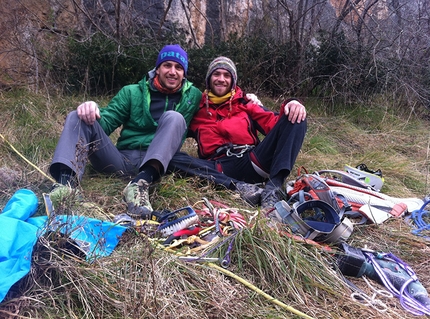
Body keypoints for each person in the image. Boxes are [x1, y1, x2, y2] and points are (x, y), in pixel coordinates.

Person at [49, 44, 202, 218]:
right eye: (167, 65)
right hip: (121, 161)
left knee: (175, 117)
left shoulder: (194, 96)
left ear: (184, 74)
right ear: (157, 68)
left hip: (158, 163)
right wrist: (91, 109)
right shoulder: (131, 92)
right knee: (77, 116)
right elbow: (106, 123)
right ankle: (65, 185)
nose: (173, 72)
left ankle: (139, 187)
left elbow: (212, 119)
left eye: (179, 67)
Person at [168, 56, 307, 211]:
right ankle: (239, 188)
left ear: (233, 81)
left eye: (226, 75)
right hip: (218, 169)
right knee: (170, 158)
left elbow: (275, 124)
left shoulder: (245, 104)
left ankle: (273, 188)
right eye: (216, 74)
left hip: (252, 161)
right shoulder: (197, 109)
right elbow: (172, 131)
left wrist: (292, 103)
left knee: (296, 116)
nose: (221, 79)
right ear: (208, 79)